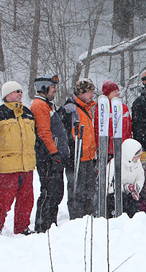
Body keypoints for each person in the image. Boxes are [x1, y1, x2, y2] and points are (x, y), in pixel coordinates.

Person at [0, 81, 37, 235]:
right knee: (3, 199)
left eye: (21, 91)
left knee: (26, 199)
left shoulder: (27, 113)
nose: (20, 94)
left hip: (26, 165)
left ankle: (22, 227)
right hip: (7, 166)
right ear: (7, 95)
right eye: (16, 91)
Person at [31, 75, 69, 233]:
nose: (55, 91)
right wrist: (54, 153)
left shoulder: (47, 105)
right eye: (53, 88)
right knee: (49, 192)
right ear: (44, 88)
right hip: (47, 157)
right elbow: (44, 132)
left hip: (53, 156)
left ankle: (50, 224)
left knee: (56, 192)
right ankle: (43, 226)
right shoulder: (39, 105)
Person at [59, 79, 97, 219]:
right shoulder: (71, 109)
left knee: (88, 190)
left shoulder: (87, 109)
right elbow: (65, 133)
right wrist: (70, 151)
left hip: (89, 157)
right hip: (76, 157)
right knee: (76, 190)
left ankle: (87, 216)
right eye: (90, 92)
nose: (92, 95)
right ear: (81, 92)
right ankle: (76, 218)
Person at [106, 138, 145, 218]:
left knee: (134, 205)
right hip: (114, 198)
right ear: (129, 154)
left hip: (130, 196)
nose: (139, 158)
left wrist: (136, 188)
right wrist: (125, 188)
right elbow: (106, 186)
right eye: (136, 156)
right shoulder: (114, 164)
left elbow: (140, 177)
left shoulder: (137, 163)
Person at [94, 80, 132, 160]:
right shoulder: (102, 109)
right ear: (107, 94)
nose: (118, 93)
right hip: (109, 150)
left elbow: (129, 128)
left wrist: (129, 142)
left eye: (118, 90)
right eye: (114, 91)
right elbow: (98, 130)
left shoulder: (124, 107)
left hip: (124, 148)